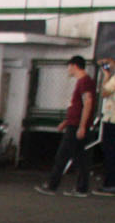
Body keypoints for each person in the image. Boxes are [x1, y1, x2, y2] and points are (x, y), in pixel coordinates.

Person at [36, 55, 96, 197]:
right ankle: (81, 188)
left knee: (62, 155)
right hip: (75, 123)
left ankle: (52, 186)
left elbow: (88, 103)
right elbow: (78, 106)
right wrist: (66, 121)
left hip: (77, 126)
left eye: (69, 67)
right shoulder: (83, 82)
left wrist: (81, 126)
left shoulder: (84, 82)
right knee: (81, 158)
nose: (68, 70)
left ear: (74, 66)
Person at [97, 58, 115, 195]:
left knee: (110, 152)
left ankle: (110, 184)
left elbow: (103, 93)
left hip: (112, 120)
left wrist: (106, 76)